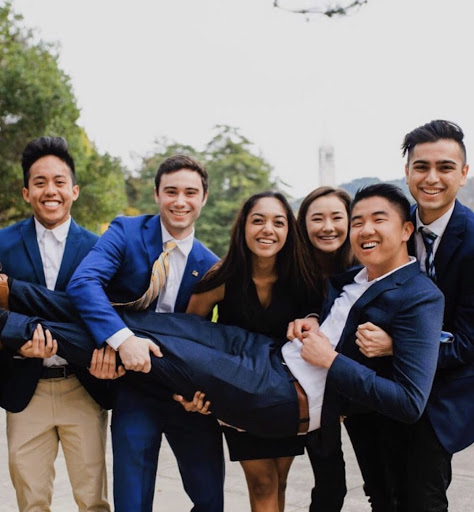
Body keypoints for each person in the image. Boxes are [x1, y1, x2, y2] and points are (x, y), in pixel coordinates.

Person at [0, 185, 444, 463]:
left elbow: (409, 402)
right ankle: (10, 290)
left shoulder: (420, 297)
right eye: (359, 220)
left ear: (406, 230)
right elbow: (326, 312)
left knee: (149, 348)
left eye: (377, 220)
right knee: (141, 323)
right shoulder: (352, 277)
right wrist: (311, 321)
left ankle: (9, 324)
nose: (363, 229)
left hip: (286, 395)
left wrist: (330, 360)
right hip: (265, 354)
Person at [66, 154, 225, 512]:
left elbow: (219, 336)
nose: (180, 201)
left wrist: (207, 395)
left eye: (190, 192)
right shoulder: (125, 231)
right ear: (157, 194)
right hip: (134, 389)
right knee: (132, 502)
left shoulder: (213, 266)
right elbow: (84, 282)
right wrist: (122, 340)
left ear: (204, 198)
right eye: (171, 191)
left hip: (187, 395)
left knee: (211, 498)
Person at [354, 120, 474, 511]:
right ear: (407, 172)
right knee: (382, 495)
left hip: (444, 393)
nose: (431, 178)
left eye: (445, 167)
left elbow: (469, 340)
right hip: (381, 387)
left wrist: (401, 347)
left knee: (423, 498)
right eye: (421, 167)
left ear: (464, 173)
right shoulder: (386, 223)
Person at [181, 191, 322, 512]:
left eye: (278, 222)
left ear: (290, 231)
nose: (267, 229)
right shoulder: (220, 278)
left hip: (287, 398)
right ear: (243, 227)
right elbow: (188, 337)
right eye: (258, 220)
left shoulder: (303, 279)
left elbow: (323, 326)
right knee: (262, 484)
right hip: (239, 397)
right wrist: (192, 394)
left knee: (279, 481)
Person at [0, 137, 110, 512]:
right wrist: (18, 340)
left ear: (74, 190)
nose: (51, 191)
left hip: (83, 386)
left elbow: (105, 313)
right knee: (31, 502)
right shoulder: (3, 244)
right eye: (40, 182)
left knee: (93, 500)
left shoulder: (101, 248)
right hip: (24, 390)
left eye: (60, 181)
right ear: (26, 191)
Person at [296, 186, 354, 511]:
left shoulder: (363, 263)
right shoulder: (292, 267)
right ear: (303, 223)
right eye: (317, 218)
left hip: (356, 384)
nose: (327, 226)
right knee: (332, 483)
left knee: (381, 479)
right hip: (311, 388)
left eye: (337, 217)